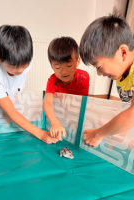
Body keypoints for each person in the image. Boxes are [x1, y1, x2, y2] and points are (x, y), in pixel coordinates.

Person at [79, 11, 134, 147]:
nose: (99, 73)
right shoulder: (122, 72)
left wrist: (99, 134)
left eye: (99, 66)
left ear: (123, 53)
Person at [43, 37, 90, 140]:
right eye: (58, 67)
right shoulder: (52, 81)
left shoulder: (83, 78)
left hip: (75, 115)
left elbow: (82, 104)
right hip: (59, 113)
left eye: (69, 65)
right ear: (51, 66)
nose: (64, 72)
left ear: (78, 61)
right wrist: (54, 122)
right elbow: (47, 103)